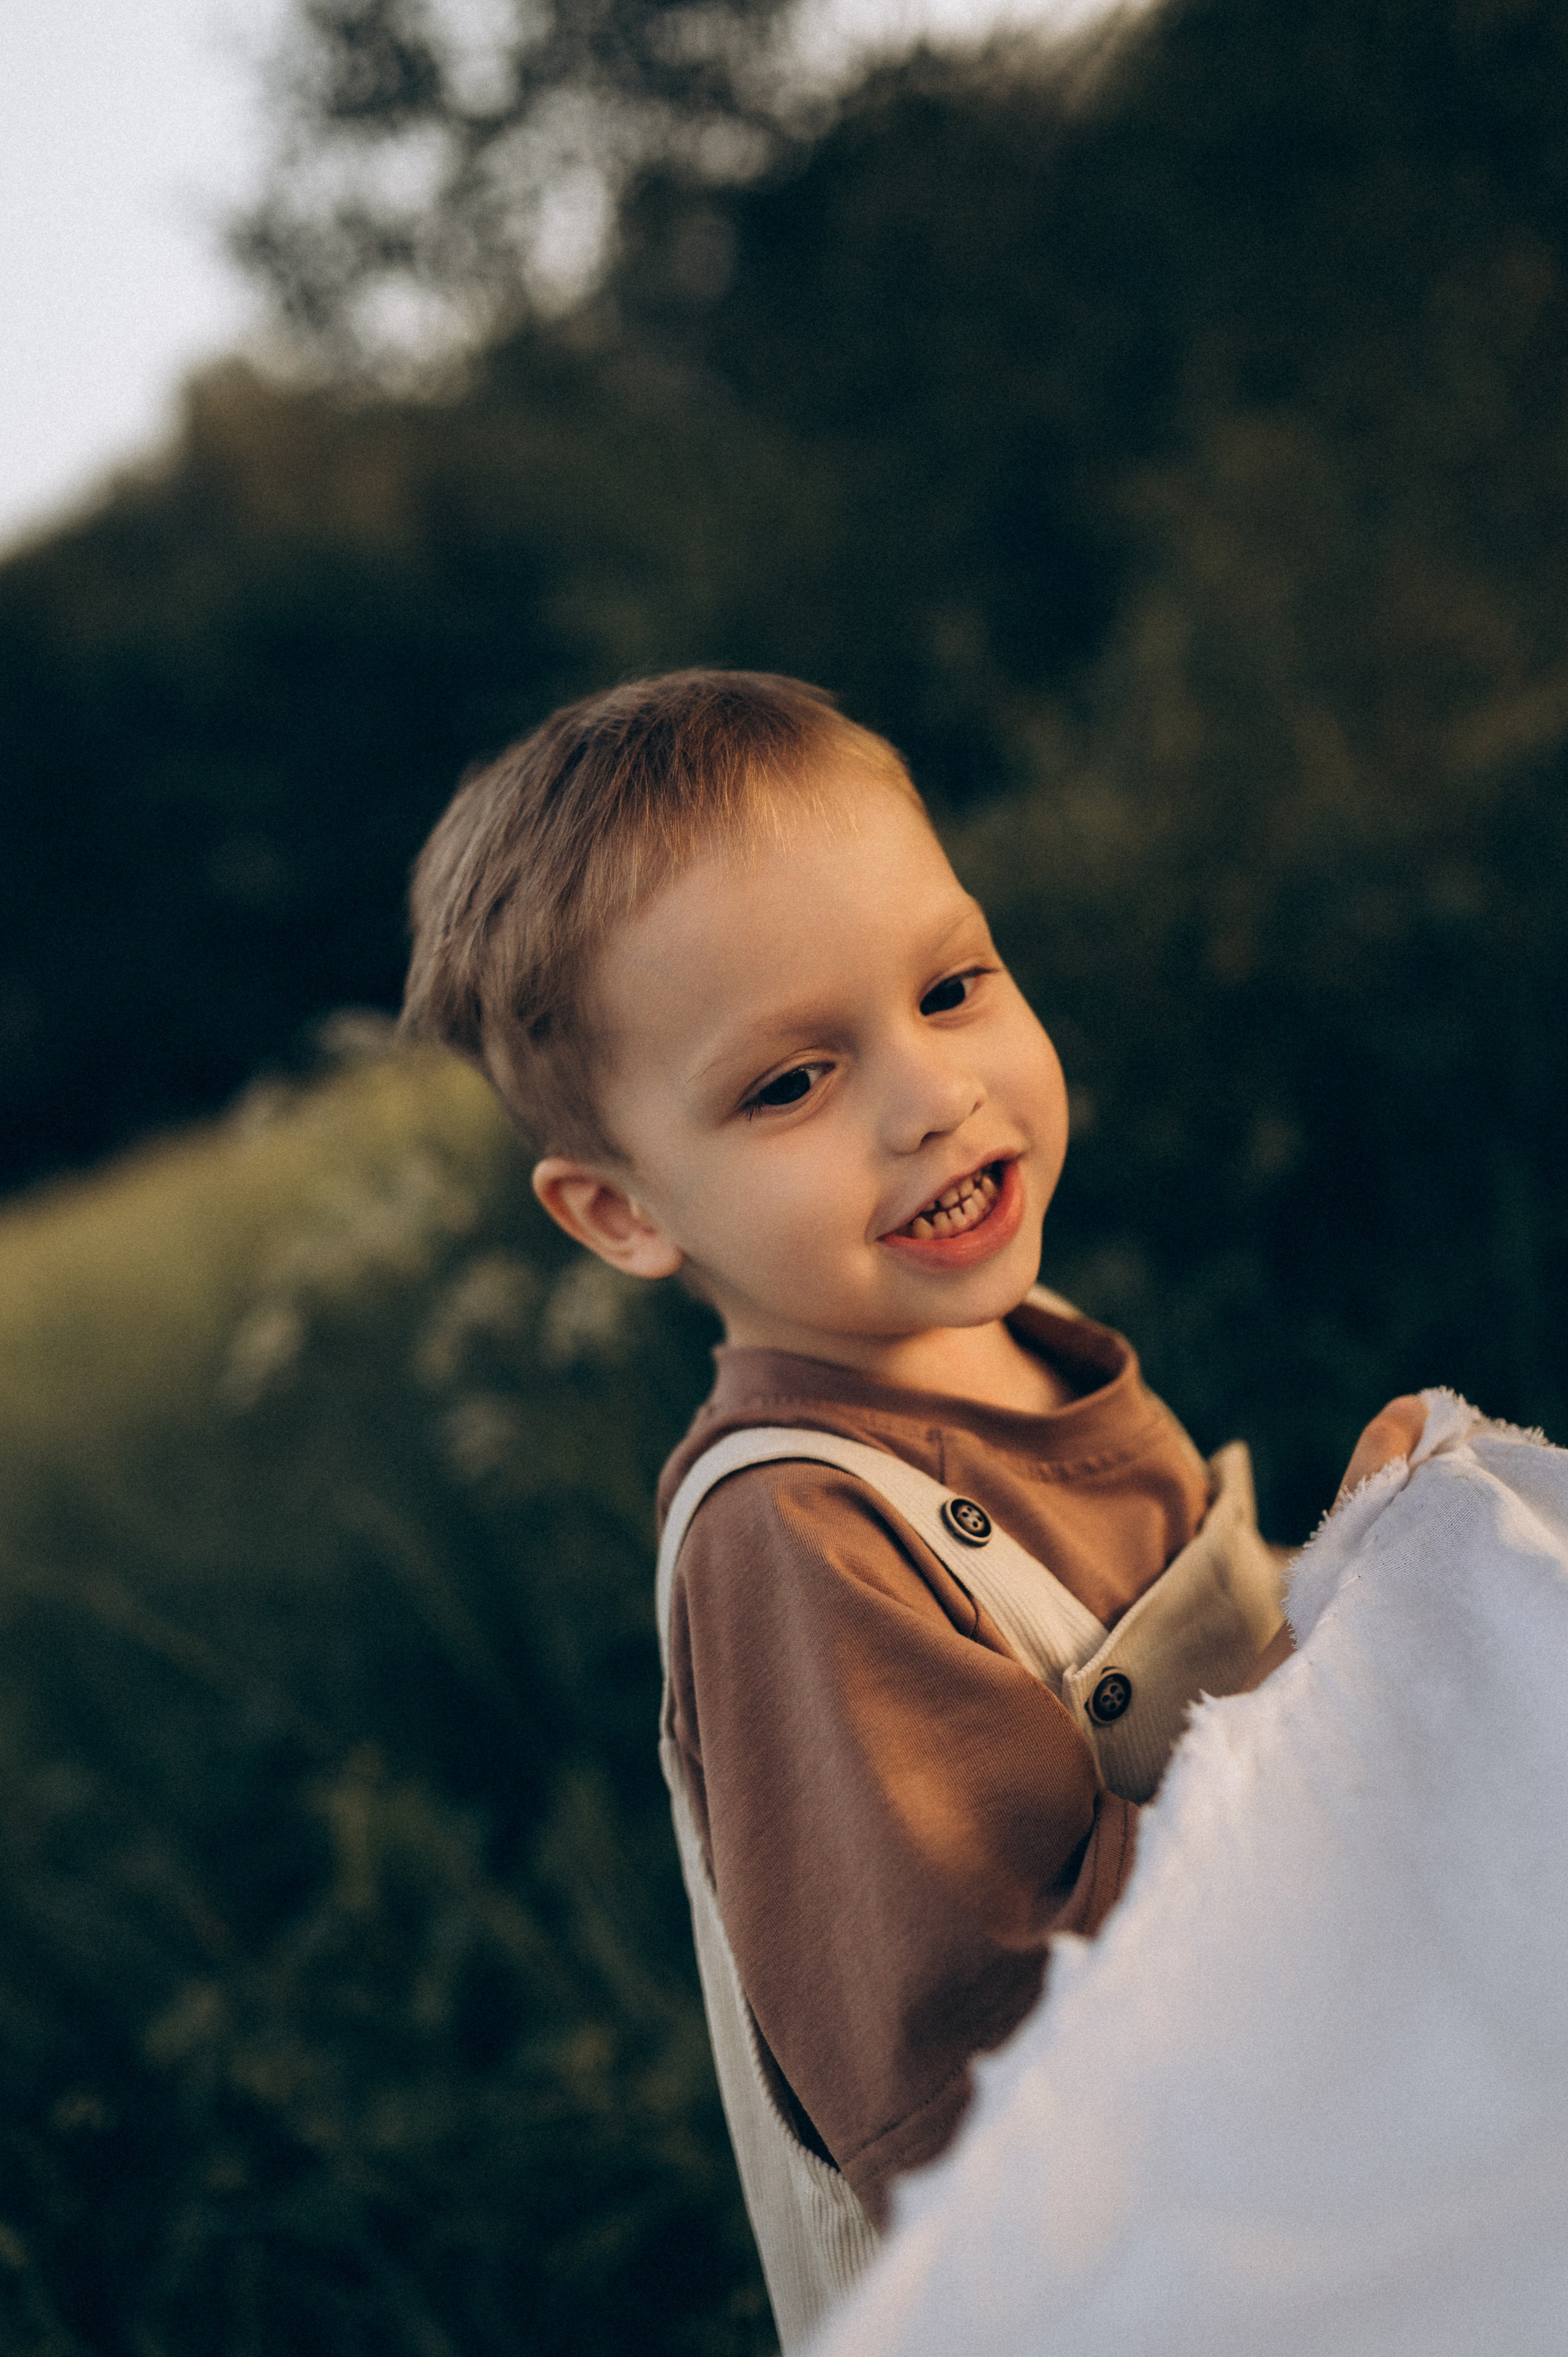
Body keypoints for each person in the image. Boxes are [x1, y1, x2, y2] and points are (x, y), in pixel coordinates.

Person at [401, 668, 1425, 2341]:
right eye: (789, 1084)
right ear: (619, 1211)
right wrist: (1340, 1697)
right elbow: (984, 2089)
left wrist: (1378, 1584)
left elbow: (1181, 1721)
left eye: (952, 986)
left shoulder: (1013, 1355)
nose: (928, 1095)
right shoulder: (797, 1537)